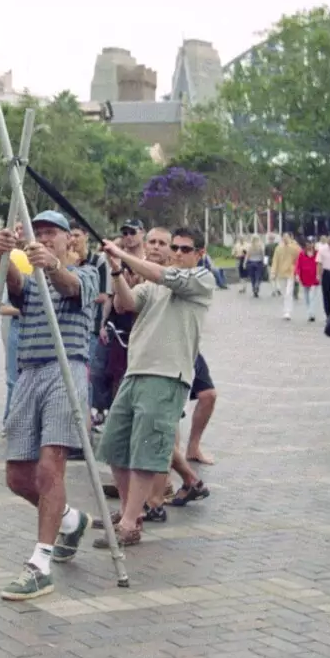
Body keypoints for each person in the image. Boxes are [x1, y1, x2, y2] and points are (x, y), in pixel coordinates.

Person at [0, 211, 100, 599]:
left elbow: (69, 286)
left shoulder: (87, 274)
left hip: (65, 372)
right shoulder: (33, 279)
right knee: (17, 476)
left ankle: (40, 563)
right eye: (40, 233)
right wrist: (3, 255)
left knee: (50, 468)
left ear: (69, 240)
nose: (46, 238)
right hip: (28, 373)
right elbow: (16, 287)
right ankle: (69, 519)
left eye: (52, 233)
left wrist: (51, 263)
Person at [97, 226, 215, 548]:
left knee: (146, 452)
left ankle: (131, 523)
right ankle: (126, 514)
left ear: (199, 254)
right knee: (115, 447)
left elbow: (164, 275)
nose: (177, 253)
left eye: (184, 249)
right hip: (136, 372)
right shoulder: (154, 284)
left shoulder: (201, 281)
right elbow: (126, 303)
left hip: (166, 376)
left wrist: (122, 254)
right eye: (173, 247)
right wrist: (117, 270)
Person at [273, 232, 301, 320]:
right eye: (284, 237)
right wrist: (273, 272)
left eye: (287, 237)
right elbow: (275, 260)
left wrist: (298, 272)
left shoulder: (294, 248)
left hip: (290, 272)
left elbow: (299, 258)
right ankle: (285, 310)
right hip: (281, 273)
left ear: (290, 238)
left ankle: (287, 311)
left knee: (289, 292)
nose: (285, 239)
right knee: (284, 292)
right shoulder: (278, 248)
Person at [295, 237, 321, 324]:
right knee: (306, 296)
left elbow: (320, 264)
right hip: (305, 277)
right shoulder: (302, 253)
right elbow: (298, 265)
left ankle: (311, 313)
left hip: (314, 277)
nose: (310, 244)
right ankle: (309, 310)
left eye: (311, 242)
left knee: (312, 296)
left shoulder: (317, 253)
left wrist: (319, 274)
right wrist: (297, 275)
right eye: (308, 242)